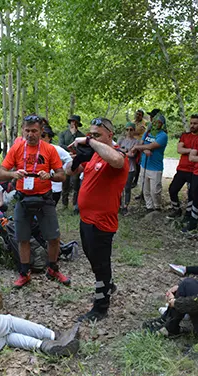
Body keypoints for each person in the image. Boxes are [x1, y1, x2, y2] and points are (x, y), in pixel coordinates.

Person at [66, 117, 129, 322]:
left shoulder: (117, 154)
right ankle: (108, 285)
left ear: (110, 135)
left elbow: (118, 161)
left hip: (102, 222)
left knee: (101, 264)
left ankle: (101, 306)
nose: (92, 139)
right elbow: (71, 171)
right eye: (90, 134)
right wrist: (74, 158)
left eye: (97, 135)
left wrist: (89, 142)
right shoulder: (95, 155)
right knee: (93, 259)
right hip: (86, 219)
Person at [0, 115, 68, 288]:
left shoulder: (49, 150)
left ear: (41, 131)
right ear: (23, 130)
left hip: (45, 198)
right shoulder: (16, 149)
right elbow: (0, 173)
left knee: (53, 237)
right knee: (23, 238)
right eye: (27, 131)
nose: (30, 134)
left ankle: (52, 268)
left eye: (34, 131)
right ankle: (24, 273)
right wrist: (12, 174)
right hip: (23, 199)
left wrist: (50, 175)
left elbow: (62, 175)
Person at [167, 114, 198, 220]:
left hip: (195, 170)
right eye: (191, 123)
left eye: (195, 123)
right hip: (182, 169)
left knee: (192, 193)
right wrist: (192, 150)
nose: (192, 125)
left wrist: (187, 150)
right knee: (172, 189)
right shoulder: (185, 135)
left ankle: (188, 214)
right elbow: (179, 150)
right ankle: (176, 209)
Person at [130, 113, 168, 212]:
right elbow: (141, 144)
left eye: (159, 122)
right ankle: (149, 207)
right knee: (145, 189)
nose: (156, 124)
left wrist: (139, 148)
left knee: (155, 190)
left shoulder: (163, 135)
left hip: (156, 167)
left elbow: (152, 146)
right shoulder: (147, 133)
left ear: (162, 124)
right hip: (144, 164)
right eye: (154, 122)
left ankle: (157, 207)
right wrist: (143, 150)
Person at [40, 124, 72, 205]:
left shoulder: (56, 149)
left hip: (54, 187)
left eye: (43, 136)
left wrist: (61, 170)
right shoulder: (33, 150)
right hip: (38, 188)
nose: (40, 138)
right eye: (39, 135)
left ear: (49, 137)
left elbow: (69, 159)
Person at [58, 115, 84, 210]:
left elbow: (82, 148)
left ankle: (75, 205)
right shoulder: (63, 133)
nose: (73, 124)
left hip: (77, 160)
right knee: (65, 182)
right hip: (65, 160)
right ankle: (64, 204)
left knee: (76, 182)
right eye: (72, 122)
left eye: (75, 122)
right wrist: (68, 152)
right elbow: (61, 145)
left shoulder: (81, 136)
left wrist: (74, 135)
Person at [118, 122, 138, 214]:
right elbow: (115, 150)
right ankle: (118, 205)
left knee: (127, 188)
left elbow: (132, 154)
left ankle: (125, 206)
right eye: (127, 129)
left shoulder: (136, 141)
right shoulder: (121, 140)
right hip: (120, 167)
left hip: (130, 168)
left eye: (131, 129)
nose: (129, 131)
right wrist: (127, 151)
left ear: (134, 130)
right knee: (118, 187)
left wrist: (123, 152)